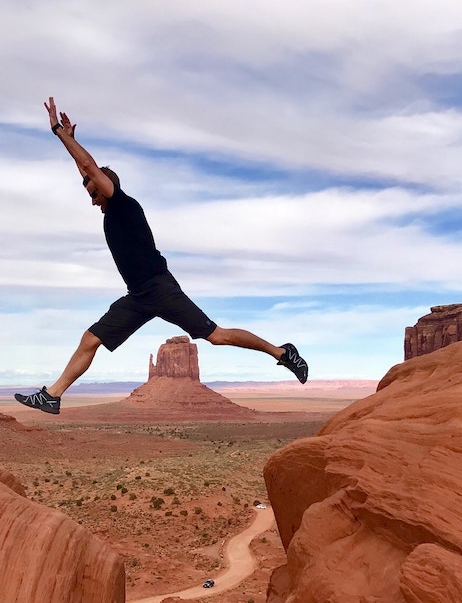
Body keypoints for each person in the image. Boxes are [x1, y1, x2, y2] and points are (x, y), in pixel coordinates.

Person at [15, 97, 308, 415]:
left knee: (216, 336)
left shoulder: (123, 205)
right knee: (90, 339)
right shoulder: (112, 208)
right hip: (139, 296)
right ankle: (52, 395)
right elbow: (87, 171)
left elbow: (90, 167)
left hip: (160, 288)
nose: (92, 200)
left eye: (95, 192)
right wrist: (71, 141)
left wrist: (61, 133)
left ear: (107, 185)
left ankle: (282, 352)